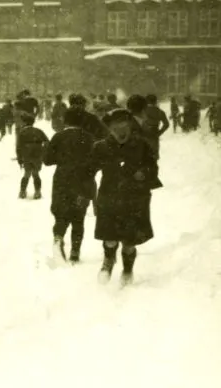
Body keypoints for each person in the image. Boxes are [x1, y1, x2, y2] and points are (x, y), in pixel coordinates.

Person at [91, 108, 161, 285]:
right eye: (115, 127)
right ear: (110, 129)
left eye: (123, 126)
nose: (120, 131)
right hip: (109, 198)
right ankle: (108, 262)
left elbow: (153, 169)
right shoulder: (101, 147)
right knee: (110, 238)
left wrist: (144, 174)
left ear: (130, 126)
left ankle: (128, 270)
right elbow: (88, 171)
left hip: (135, 199)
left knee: (130, 241)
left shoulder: (142, 146)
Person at [43, 106, 97, 263]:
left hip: (62, 181)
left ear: (65, 121)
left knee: (61, 214)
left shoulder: (58, 137)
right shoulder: (89, 138)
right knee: (78, 217)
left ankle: (58, 239)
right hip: (83, 182)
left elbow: (47, 161)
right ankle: (75, 251)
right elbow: (96, 160)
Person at [16, 112, 49, 199]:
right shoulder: (38, 131)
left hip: (26, 155)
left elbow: (18, 147)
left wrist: (19, 159)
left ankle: (22, 192)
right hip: (37, 155)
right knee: (36, 174)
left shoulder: (22, 132)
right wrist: (43, 151)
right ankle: (37, 192)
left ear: (24, 122)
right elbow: (47, 142)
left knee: (26, 174)